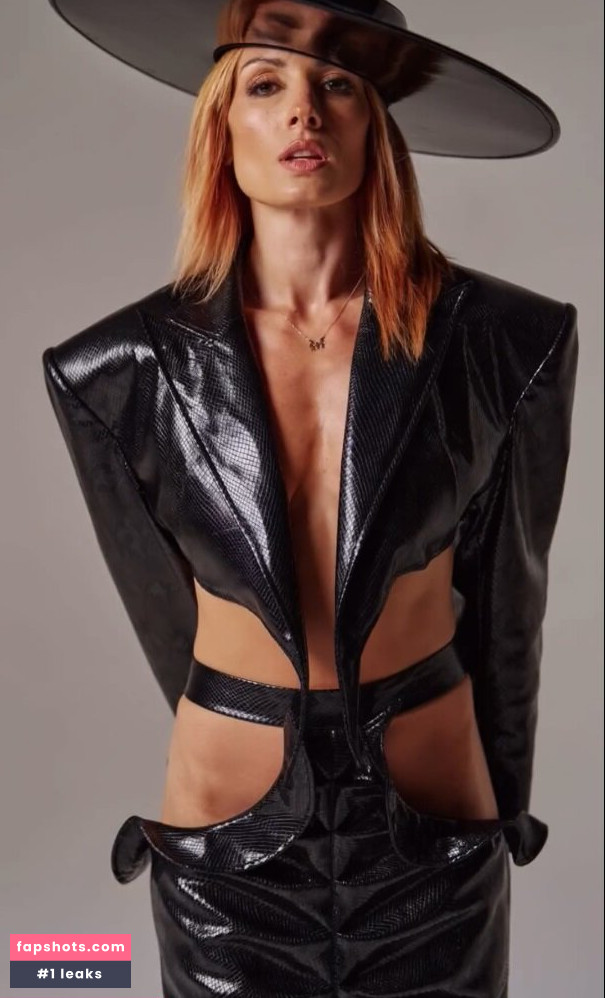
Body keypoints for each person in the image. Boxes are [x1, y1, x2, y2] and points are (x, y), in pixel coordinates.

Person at [42, 2, 579, 995]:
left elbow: (509, 598)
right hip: (228, 826)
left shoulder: (505, 340)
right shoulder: (114, 371)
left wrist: (499, 808)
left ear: (376, 123)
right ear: (220, 125)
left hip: (429, 810)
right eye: (266, 84)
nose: (304, 111)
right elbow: (165, 611)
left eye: (337, 84)